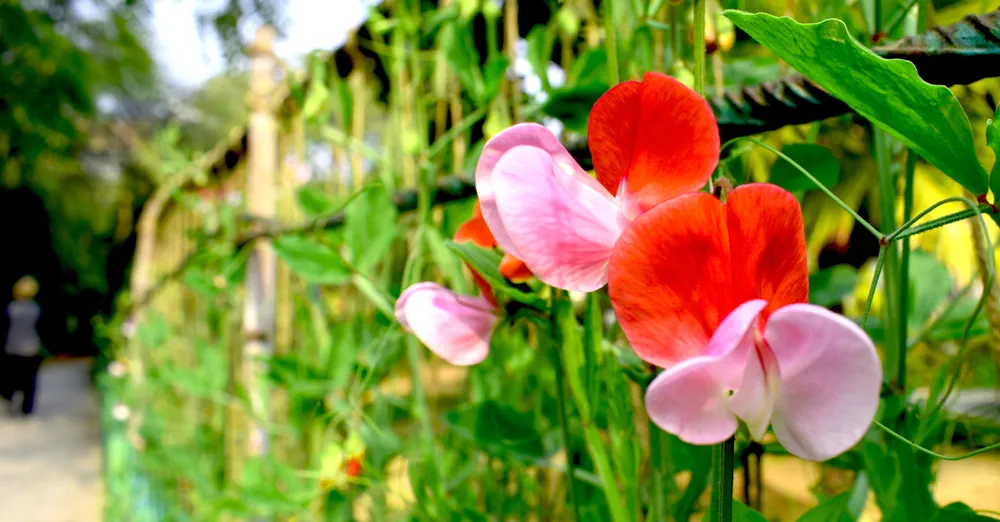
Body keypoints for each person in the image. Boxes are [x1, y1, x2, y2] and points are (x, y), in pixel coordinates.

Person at [2, 276, 44, 415]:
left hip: (13, 347)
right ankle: (27, 408)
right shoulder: (36, 308)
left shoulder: (11, 308)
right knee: (30, 381)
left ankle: (10, 396)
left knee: (12, 376)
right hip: (31, 348)